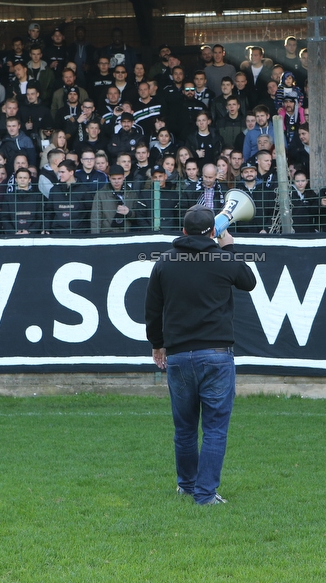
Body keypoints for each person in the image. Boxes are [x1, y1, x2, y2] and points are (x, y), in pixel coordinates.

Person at [144, 204, 257, 506]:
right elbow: (249, 281)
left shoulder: (165, 262)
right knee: (215, 429)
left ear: (182, 231)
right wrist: (229, 247)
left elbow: (153, 310)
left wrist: (157, 345)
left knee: (184, 429)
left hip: (179, 357)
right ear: (213, 232)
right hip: (217, 356)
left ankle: (187, 486)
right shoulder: (222, 258)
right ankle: (205, 495)